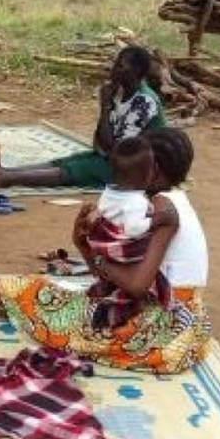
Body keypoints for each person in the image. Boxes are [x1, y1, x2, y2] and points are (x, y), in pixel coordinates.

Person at [0, 128, 210, 375]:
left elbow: (136, 284)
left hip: (159, 327)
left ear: (153, 169)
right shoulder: (154, 204)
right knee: (50, 303)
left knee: (40, 294)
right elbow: (119, 277)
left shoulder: (163, 210)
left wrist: (97, 255)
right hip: (153, 313)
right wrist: (83, 245)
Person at [0, 45, 166, 189]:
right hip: (119, 156)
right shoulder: (119, 92)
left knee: (78, 170)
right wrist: (106, 110)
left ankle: (6, 178)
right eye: (116, 63)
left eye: (121, 66)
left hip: (138, 167)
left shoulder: (144, 101)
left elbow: (116, 149)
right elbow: (100, 144)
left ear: (136, 74)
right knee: (71, 161)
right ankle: (5, 171)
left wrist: (105, 106)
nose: (114, 69)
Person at [86, 136, 175, 330]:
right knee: (155, 282)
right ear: (148, 174)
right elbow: (133, 230)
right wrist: (157, 219)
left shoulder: (109, 193)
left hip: (106, 250)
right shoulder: (137, 201)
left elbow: (101, 216)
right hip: (124, 253)